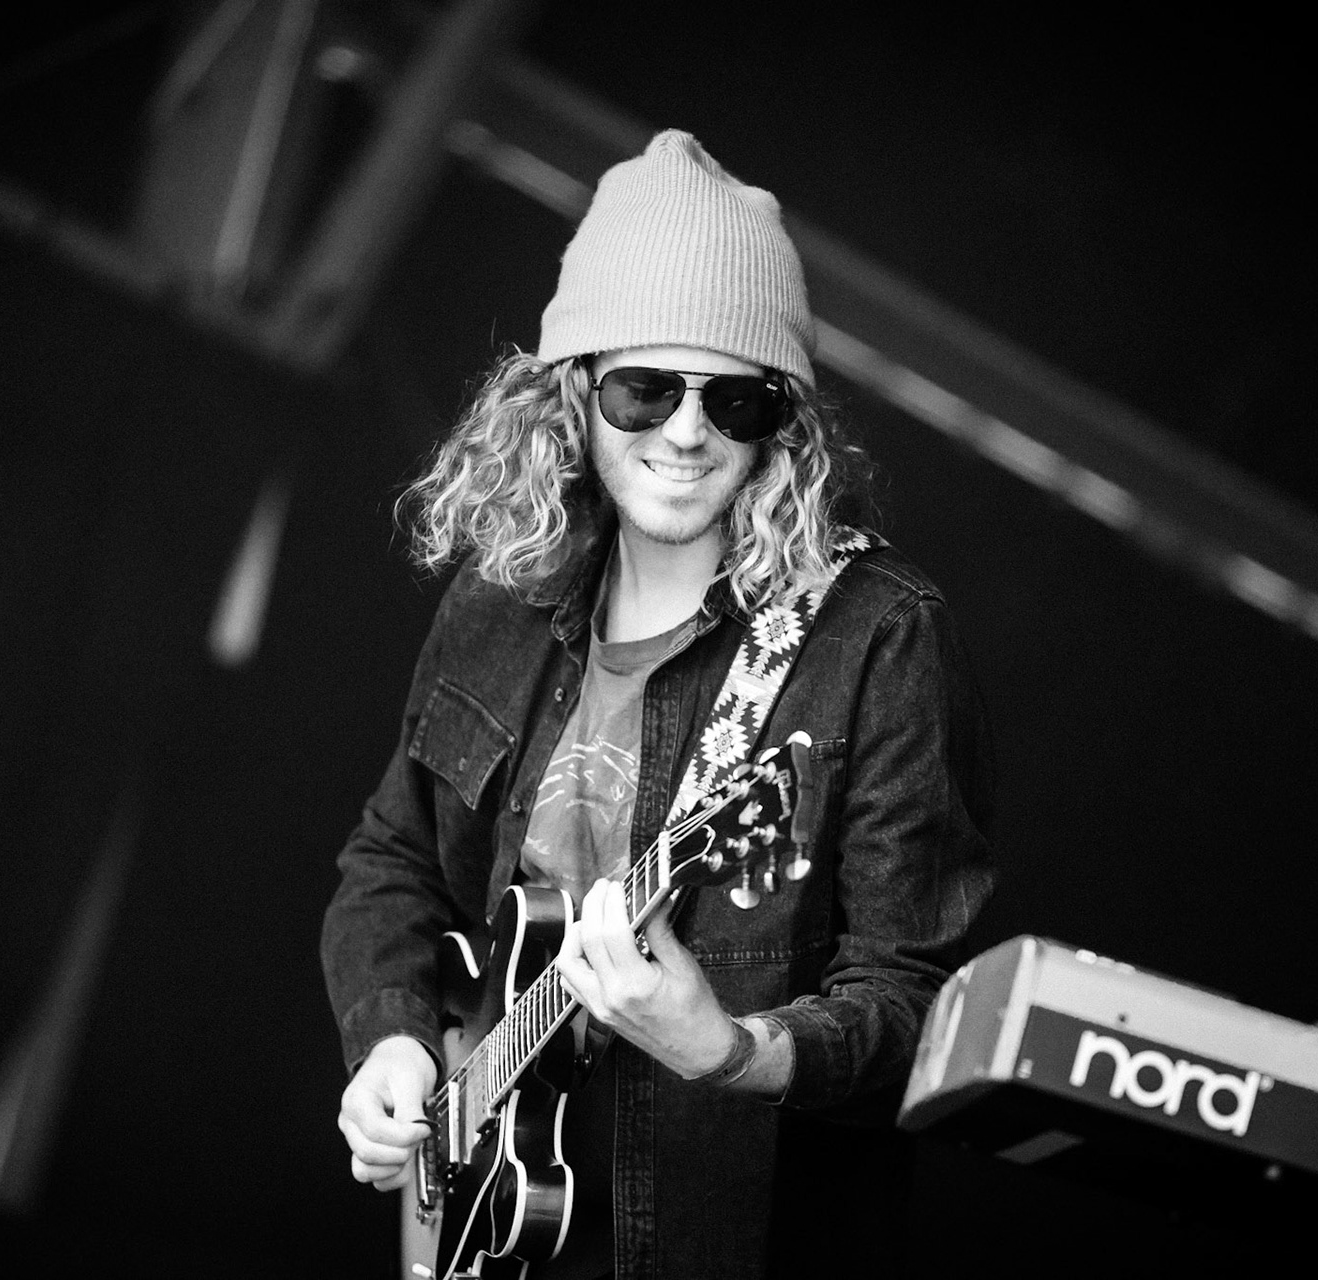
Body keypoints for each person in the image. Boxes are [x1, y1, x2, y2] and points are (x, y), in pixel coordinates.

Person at [321, 129, 996, 1279]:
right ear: (573, 392)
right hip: (501, 1224)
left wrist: (732, 1049)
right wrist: (394, 1040)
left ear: (784, 420)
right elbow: (393, 857)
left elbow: (913, 1000)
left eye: (734, 399)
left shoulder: (874, 636)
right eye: (645, 387)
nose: (686, 431)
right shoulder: (502, 600)